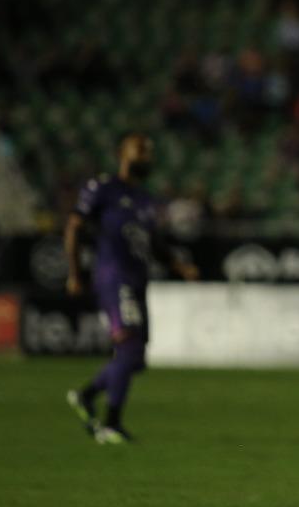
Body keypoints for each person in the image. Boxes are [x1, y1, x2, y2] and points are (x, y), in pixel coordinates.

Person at [64, 132, 199, 443]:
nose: (147, 156)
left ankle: (87, 396)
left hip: (138, 280)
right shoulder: (103, 188)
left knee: (136, 359)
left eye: (150, 151)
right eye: (140, 149)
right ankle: (111, 424)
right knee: (128, 348)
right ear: (121, 153)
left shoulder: (146, 201)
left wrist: (180, 267)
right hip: (115, 277)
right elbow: (74, 226)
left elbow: (155, 244)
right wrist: (74, 273)